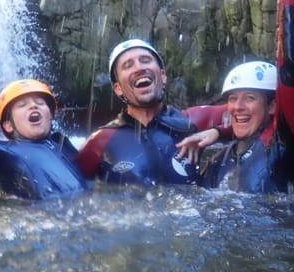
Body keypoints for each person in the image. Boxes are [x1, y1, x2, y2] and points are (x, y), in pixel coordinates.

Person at [176, 0, 294, 193]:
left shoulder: (283, 141)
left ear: (272, 106)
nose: (238, 107)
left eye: (249, 98)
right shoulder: (218, 161)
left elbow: (290, 71)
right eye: (233, 98)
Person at [75, 39, 226, 186]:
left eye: (145, 60)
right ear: (118, 88)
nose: (139, 68)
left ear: (163, 76)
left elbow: (245, 114)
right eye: (128, 65)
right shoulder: (99, 142)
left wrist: (218, 132)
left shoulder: (193, 121)